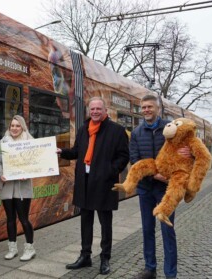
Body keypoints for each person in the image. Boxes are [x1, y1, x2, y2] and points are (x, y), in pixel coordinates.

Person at [57, 97, 129, 275]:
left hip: (104, 183)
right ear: (89, 111)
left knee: (106, 223)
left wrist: (110, 171)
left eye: (98, 109)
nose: (95, 111)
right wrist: (62, 152)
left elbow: (123, 156)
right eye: (92, 109)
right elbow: (76, 152)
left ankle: (105, 258)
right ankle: (85, 256)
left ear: (105, 111)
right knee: (85, 221)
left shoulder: (116, 130)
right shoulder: (83, 130)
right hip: (85, 182)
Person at [131, 95, 187, 279]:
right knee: (147, 229)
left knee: (167, 231)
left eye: (150, 107)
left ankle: (170, 273)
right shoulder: (136, 133)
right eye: (143, 107)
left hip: (166, 191)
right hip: (146, 188)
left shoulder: (172, 129)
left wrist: (187, 152)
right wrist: (155, 174)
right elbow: (135, 160)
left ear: (158, 109)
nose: (146, 110)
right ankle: (150, 268)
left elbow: (186, 151)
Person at [0, 115, 36, 261]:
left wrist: (27, 173)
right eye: (12, 125)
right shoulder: (3, 142)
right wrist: (0, 175)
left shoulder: (30, 142)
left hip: (23, 188)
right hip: (7, 187)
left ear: (22, 127)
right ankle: (12, 249)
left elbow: (35, 163)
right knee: (10, 219)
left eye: (17, 126)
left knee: (24, 219)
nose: (14, 128)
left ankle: (30, 248)